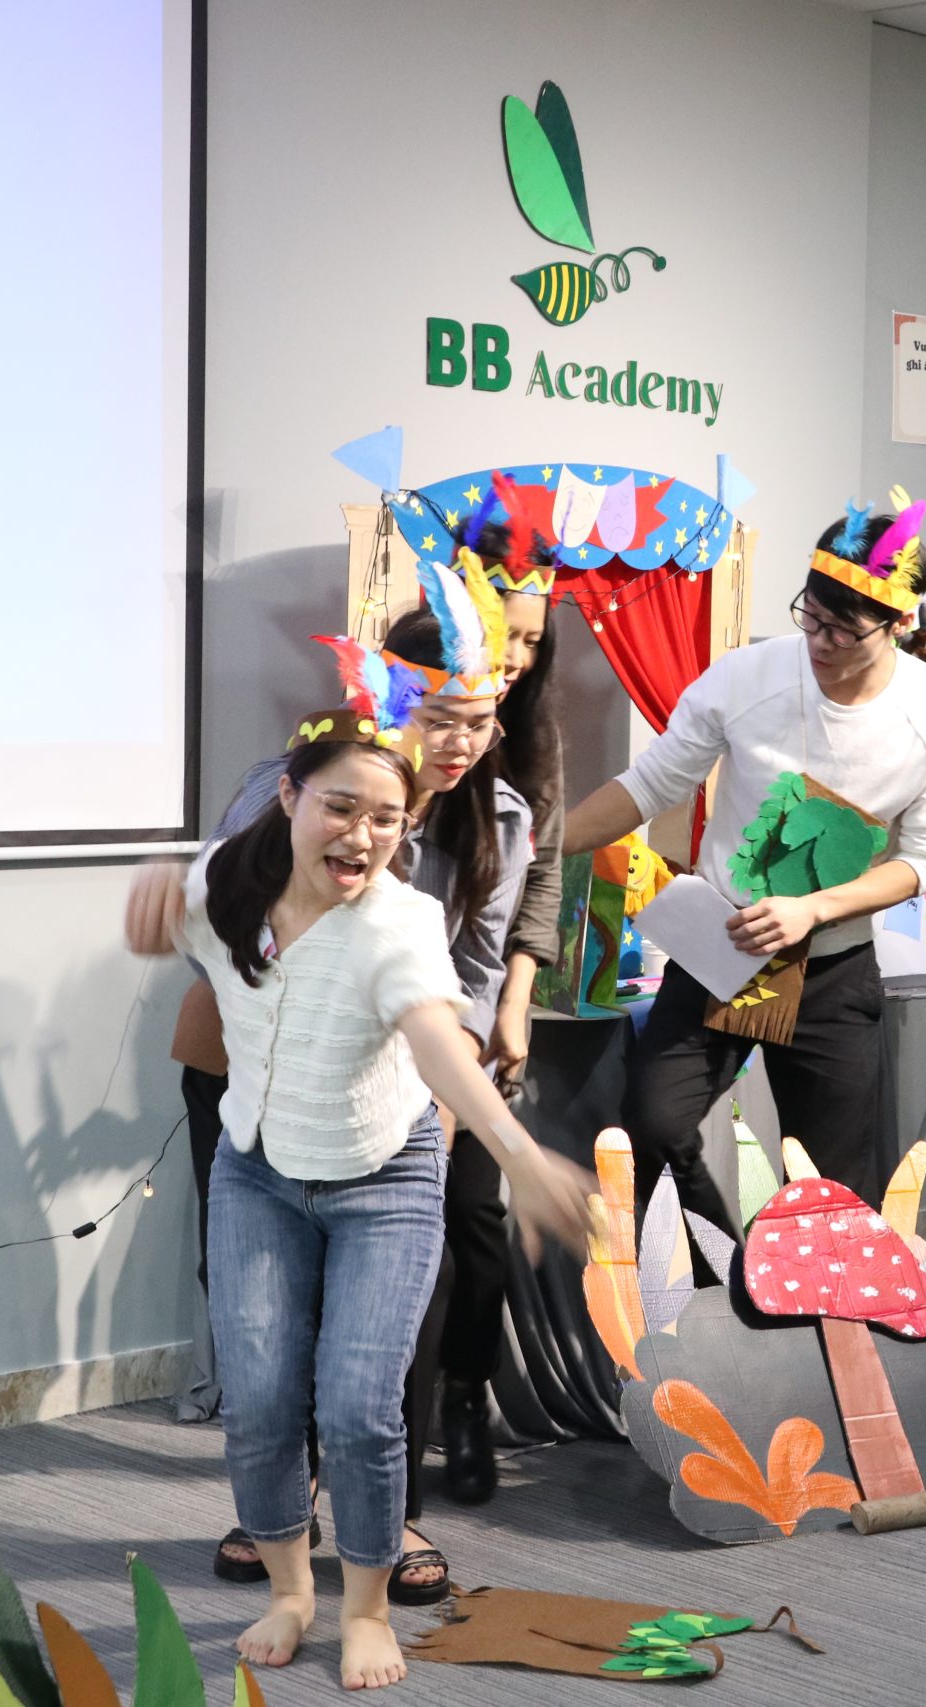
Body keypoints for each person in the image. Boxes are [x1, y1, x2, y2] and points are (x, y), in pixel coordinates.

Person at [122, 657, 592, 1692]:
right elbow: (160, 922)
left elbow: (435, 1041)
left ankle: (366, 1608)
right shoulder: (224, 884)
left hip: (384, 1175)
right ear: (289, 796)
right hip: (257, 1167)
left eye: (387, 819)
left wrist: (518, 1154)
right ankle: (292, 1592)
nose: (364, 836)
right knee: (257, 1397)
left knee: (359, 1405)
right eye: (341, 807)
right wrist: (148, 907)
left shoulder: (401, 921)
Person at [179, 545, 539, 1603]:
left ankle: (393, 1511)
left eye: (481, 722)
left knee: (403, 1303)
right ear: (385, 701)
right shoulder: (287, 790)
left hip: (411, 1082)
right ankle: (279, 1500)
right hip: (258, 1072)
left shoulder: (500, 818)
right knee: (262, 1309)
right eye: (441, 719)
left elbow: (473, 971)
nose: (460, 744)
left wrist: (447, 1090)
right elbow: (226, 922)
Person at [561, 491, 926, 1226]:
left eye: (844, 630)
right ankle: (724, 1274)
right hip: (721, 946)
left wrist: (814, 908)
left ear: (899, 623)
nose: (820, 642)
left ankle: (795, 1292)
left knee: (831, 1187)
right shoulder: (749, 676)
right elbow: (651, 784)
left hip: (833, 965)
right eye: (810, 615)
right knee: (650, 1126)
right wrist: (540, 840)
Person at [441, 482, 564, 1509]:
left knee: (475, 1223)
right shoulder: (413, 716)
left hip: (475, 1016)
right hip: (394, 1024)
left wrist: (515, 999)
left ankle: (462, 1403)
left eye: (531, 638)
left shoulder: (531, 737)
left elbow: (540, 877)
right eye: (503, 635)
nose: (517, 657)